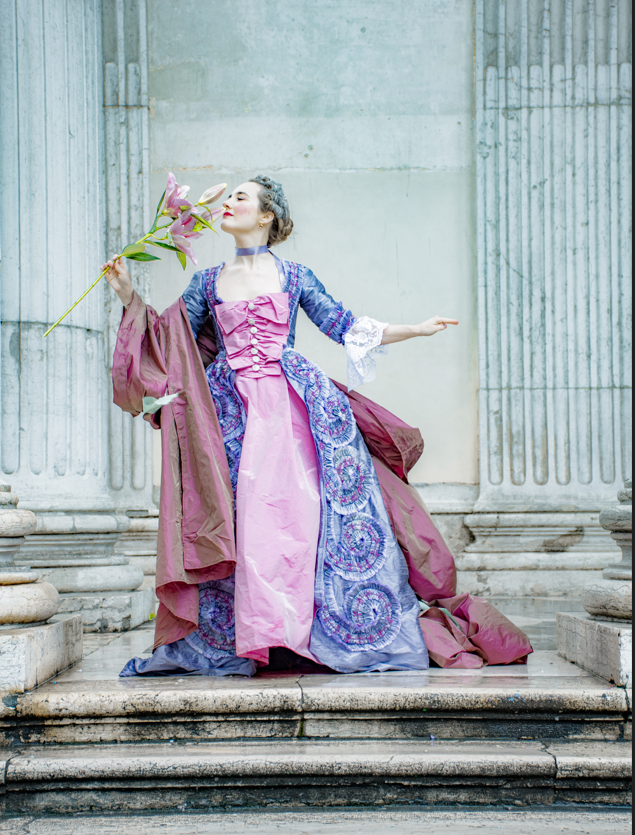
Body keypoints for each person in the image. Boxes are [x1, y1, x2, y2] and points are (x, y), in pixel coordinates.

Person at [105, 175, 531, 676]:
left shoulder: (295, 276)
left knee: (299, 517)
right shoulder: (206, 282)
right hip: (230, 413)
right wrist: (129, 295)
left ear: (266, 215)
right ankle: (253, 634)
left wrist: (415, 329)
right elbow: (167, 342)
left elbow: (343, 325)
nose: (228, 202)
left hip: (294, 409)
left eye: (240, 196)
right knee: (242, 518)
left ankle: (305, 629)